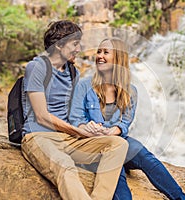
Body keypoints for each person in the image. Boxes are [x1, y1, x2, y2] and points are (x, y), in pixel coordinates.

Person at [69, 37, 185, 200]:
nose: (100, 56)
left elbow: (125, 122)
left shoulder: (130, 91)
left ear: (118, 58)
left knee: (147, 158)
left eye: (106, 52)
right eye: (99, 51)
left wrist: (115, 130)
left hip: (119, 140)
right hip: (92, 144)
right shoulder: (83, 86)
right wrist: (87, 127)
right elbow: (75, 119)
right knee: (116, 173)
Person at [21, 21, 128, 200]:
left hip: (68, 139)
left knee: (118, 145)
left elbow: (74, 113)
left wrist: (89, 128)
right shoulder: (37, 67)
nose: (79, 49)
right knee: (65, 166)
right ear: (59, 45)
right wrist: (77, 131)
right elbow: (41, 116)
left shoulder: (73, 73)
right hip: (38, 137)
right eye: (75, 44)